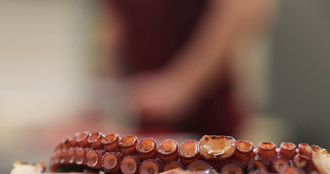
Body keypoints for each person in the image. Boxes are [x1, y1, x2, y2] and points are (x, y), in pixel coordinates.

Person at [97, 0, 274, 137]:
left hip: (209, 125)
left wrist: (182, 84)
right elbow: (117, 25)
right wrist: (107, 87)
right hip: (145, 122)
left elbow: (245, 8)